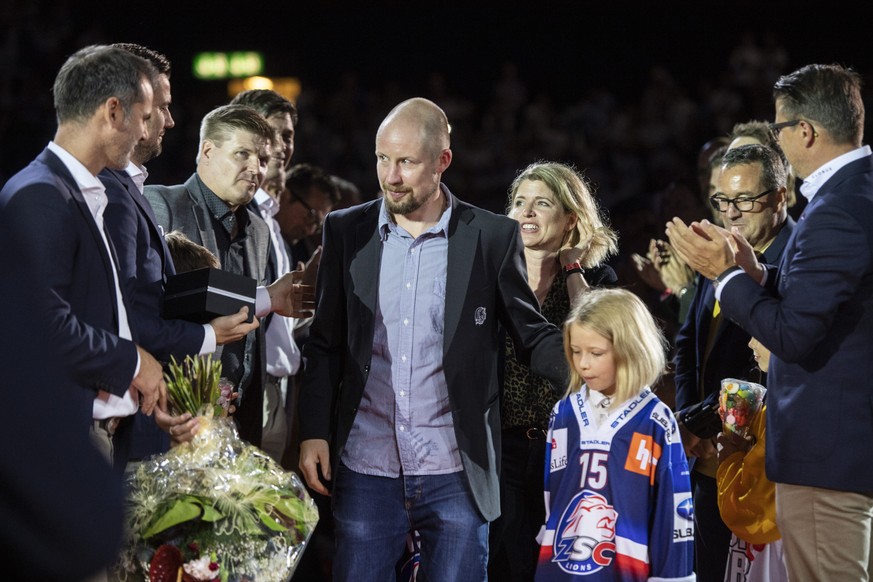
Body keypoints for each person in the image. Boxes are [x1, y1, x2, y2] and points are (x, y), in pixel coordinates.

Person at [297, 97, 567, 581]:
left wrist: (596, 366)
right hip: (366, 465)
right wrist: (314, 429)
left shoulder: (490, 236)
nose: (391, 176)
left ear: (443, 161)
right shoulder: (345, 230)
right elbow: (325, 344)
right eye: (382, 159)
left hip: (457, 470)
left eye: (406, 162)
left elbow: (531, 335)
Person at [666, 63, 873, 581]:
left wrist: (724, 277)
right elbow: (822, 297)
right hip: (831, 453)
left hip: (825, 457)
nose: (778, 140)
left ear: (804, 131)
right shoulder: (851, 195)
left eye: (779, 129)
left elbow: (791, 335)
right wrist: (756, 272)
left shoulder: (837, 209)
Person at [0, 44, 166, 467]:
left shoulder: (76, 191)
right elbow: (43, 327)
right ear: (113, 112)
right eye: (144, 118)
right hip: (60, 442)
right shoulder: (41, 194)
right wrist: (132, 360)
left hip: (89, 433)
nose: (146, 134)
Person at [100, 44, 257, 465]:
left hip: (150, 408)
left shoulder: (125, 189)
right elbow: (126, 316)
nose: (170, 120)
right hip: (115, 417)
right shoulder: (119, 195)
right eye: (161, 108)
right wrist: (211, 334)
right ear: (126, 110)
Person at [144, 104, 314, 447]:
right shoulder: (158, 205)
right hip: (170, 421)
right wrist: (270, 297)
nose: (255, 169)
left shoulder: (261, 231)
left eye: (263, 160)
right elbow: (160, 310)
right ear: (207, 151)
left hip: (239, 424)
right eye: (243, 154)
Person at [489, 161, 618, 581]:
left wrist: (572, 269)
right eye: (519, 202)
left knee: (560, 567)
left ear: (570, 220)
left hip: (569, 454)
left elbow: (600, 343)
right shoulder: (489, 279)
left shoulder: (596, 280)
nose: (525, 212)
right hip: (500, 449)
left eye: (541, 204)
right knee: (507, 563)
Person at [671, 143, 794, 582]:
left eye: (744, 199)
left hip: (764, 467)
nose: (732, 213)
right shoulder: (720, 249)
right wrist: (689, 419)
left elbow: (763, 361)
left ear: (781, 196)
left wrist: (700, 423)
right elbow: (689, 343)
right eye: (722, 200)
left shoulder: (796, 262)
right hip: (706, 456)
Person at [535, 288, 695, 581]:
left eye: (595, 353)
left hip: (627, 570)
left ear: (630, 348)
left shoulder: (655, 421)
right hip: (561, 566)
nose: (583, 363)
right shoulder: (563, 413)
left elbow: (674, 512)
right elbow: (551, 498)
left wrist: (674, 575)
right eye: (575, 351)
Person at [229, 89, 303, 463]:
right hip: (247, 389)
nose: (282, 147)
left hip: (278, 388)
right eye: (273, 134)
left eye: (288, 136)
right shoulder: (237, 212)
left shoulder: (269, 218)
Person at [717, 338, 787, 582]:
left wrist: (730, 458)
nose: (749, 343)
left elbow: (752, 510)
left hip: (778, 551)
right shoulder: (779, 403)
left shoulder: (785, 411)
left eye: (760, 333)